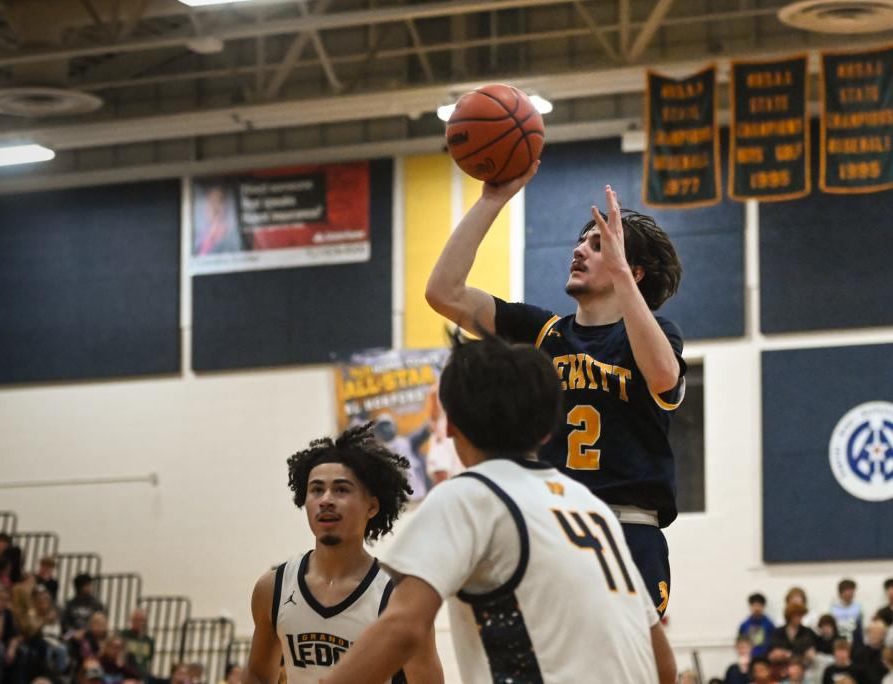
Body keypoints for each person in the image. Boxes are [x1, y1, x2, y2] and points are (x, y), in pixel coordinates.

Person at [323, 334, 677, 684]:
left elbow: (403, 627)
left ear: (451, 427)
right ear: (545, 433)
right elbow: (664, 667)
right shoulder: (591, 508)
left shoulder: (469, 496)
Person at [424, 169, 685, 614]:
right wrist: (492, 198)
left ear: (633, 271)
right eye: (581, 241)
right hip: (549, 524)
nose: (580, 250)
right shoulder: (542, 332)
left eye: (598, 244)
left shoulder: (656, 334)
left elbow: (663, 378)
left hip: (627, 529)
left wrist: (620, 274)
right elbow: (444, 292)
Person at [242, 423, 443, 684]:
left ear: (372, 506)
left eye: (341, 489)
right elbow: (257, 675)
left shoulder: (398, 596)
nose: (326, 499)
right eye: (316, 489)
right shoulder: (273, 587)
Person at [119, 608, 154, 681]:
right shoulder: (123, 635)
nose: (140, 622)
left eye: (143, 620)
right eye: (137, 619)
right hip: (127, 675)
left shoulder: (149, 641)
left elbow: (149, 662)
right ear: (132, 620)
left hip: (143, 676)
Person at [741, 593, 778, 658]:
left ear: (763, 606)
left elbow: (774, 643)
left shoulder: (769, 625)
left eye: (759, 605)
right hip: (749, 659)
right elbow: (741, 643)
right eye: (754, 605)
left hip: (766, 659)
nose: (757, 608)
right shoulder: (744, 625)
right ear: (750, 606)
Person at [831, 580, 864, 648]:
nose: (850, 593)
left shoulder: (858, 607)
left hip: (855, 640)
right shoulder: (833, 608)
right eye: (847, 590)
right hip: (838, 639)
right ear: (840, 592)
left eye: (852, 590)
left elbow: (859, 627)